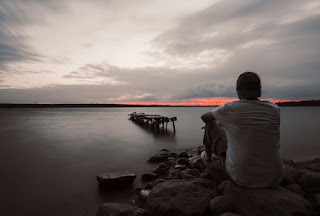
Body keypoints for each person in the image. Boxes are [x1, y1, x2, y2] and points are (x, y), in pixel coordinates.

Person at [201, 72, 283, 188]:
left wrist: (223, 121)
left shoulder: (231, 109)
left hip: (242, 178)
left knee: (210, 124)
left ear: (238, 90)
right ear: (259, 90)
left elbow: (204, 117)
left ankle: (208, 158)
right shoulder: (275, 109)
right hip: (274, 177)